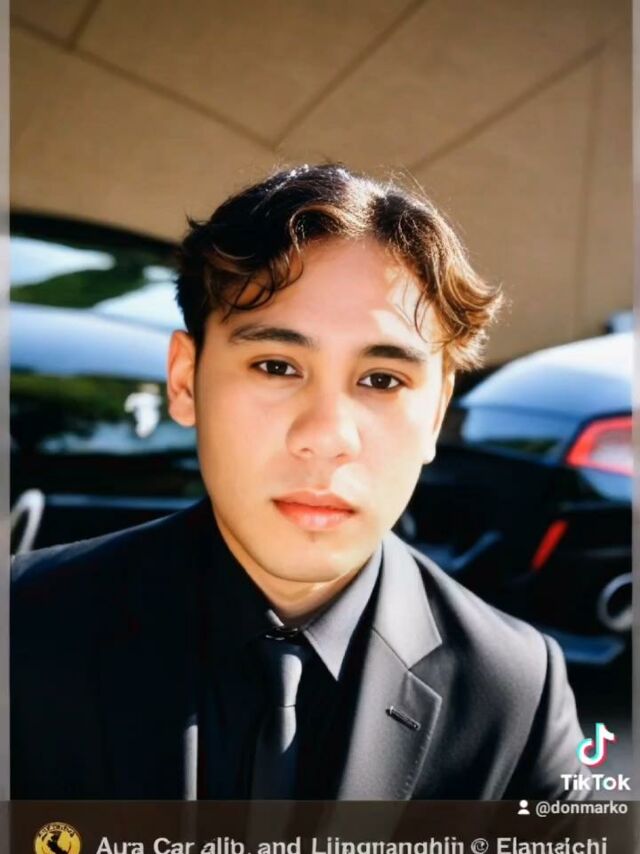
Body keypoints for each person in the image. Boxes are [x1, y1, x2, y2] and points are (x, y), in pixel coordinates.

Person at [11, 164, 589, 800]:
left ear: (436, 412)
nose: (327, 435)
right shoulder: (23, 631)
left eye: (382, 380)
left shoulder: (516, 696)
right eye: (277, 366)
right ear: (185, 381)